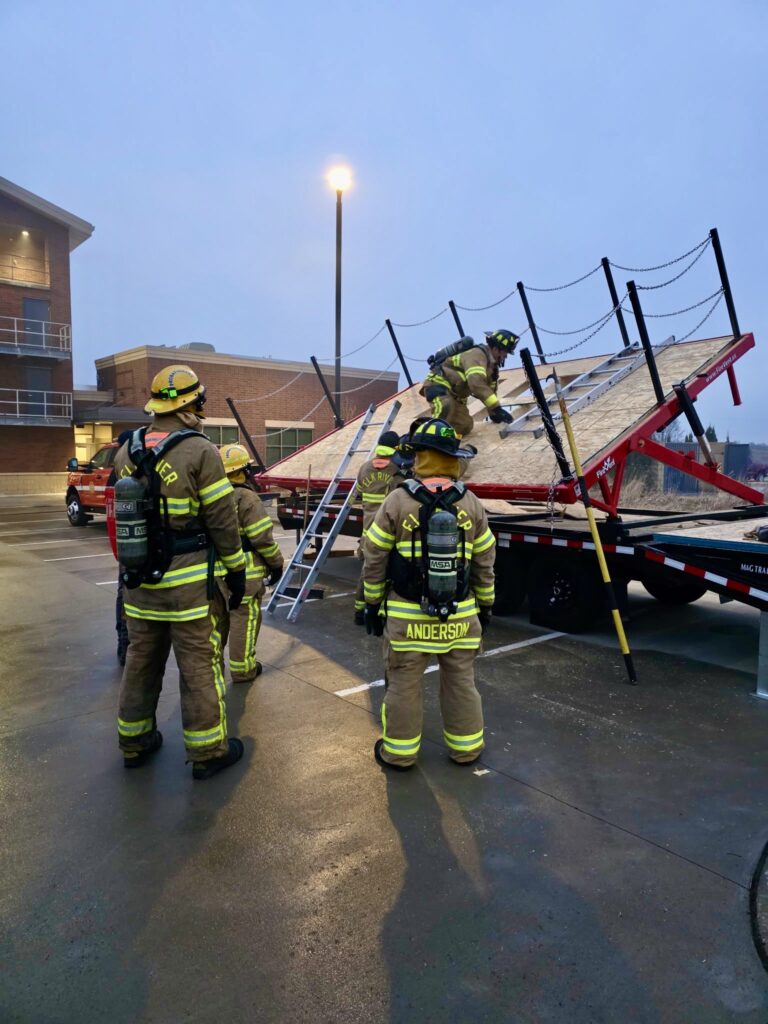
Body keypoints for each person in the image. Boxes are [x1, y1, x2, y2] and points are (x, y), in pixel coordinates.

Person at [114, 364, 248, 781]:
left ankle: (134, 742)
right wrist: (236, 570)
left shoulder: (126, 450)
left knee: (140, 661)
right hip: (188, 588)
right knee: (199, 666)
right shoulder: (200, 451)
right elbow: (223, 520)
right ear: (194, 404)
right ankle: (207, 752)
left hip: (138, 584)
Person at [362, 418, 497, 771]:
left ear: (419, 456)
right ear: (453, 459)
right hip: (461, 616)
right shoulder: (472, 503)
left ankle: (399, 754)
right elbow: (484, 562)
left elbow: (374, 557)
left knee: (403, 684)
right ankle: (466, 750)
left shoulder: (397, 500)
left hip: (408, 619)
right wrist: (485, 606)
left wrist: (371, 603)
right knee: (461, 683)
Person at [218, 442, 283, 681]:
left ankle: (212, 671)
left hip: (214, 574)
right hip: (246, 573)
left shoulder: (211, 497)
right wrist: (276, 564)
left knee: (217, 624)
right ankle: (243, 670)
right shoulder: (246, 498)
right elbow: (262, 538)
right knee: (243, 619)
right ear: (243, 470)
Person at [419, 329, 519, 437]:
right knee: (446, 407)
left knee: (464, 426)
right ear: (496, 349)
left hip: (456, 397)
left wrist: (494, 413)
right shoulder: (477, 355)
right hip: (439, 386)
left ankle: (442, 436)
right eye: (505, 352)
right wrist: (496, 408)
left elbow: (490, 392)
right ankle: (423, 436)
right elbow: (476, 384)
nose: (506, 356)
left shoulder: (492, 369)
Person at [352, 430, 405, 625]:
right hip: (387, 531)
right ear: (395, 449)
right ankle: (379, 611)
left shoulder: (364, 468)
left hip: (368, 532)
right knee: (387, 571)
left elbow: (357, 493)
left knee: (368, 571)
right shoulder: (396, 472)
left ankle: (360, 612)